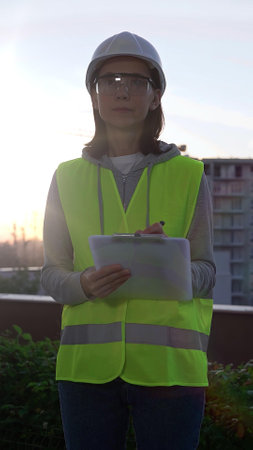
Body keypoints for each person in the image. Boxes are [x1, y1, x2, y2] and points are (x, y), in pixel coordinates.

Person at [41, 31, 215, 450]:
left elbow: (207, 272)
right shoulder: (66, 176)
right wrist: (82, 284)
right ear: (95, 96)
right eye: (111, 81)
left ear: (155, 96)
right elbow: (51, 274)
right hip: (86, 373)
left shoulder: (189, 174)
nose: (123, 91)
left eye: (137, 81)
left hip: (170, 369)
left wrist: (165, 262)